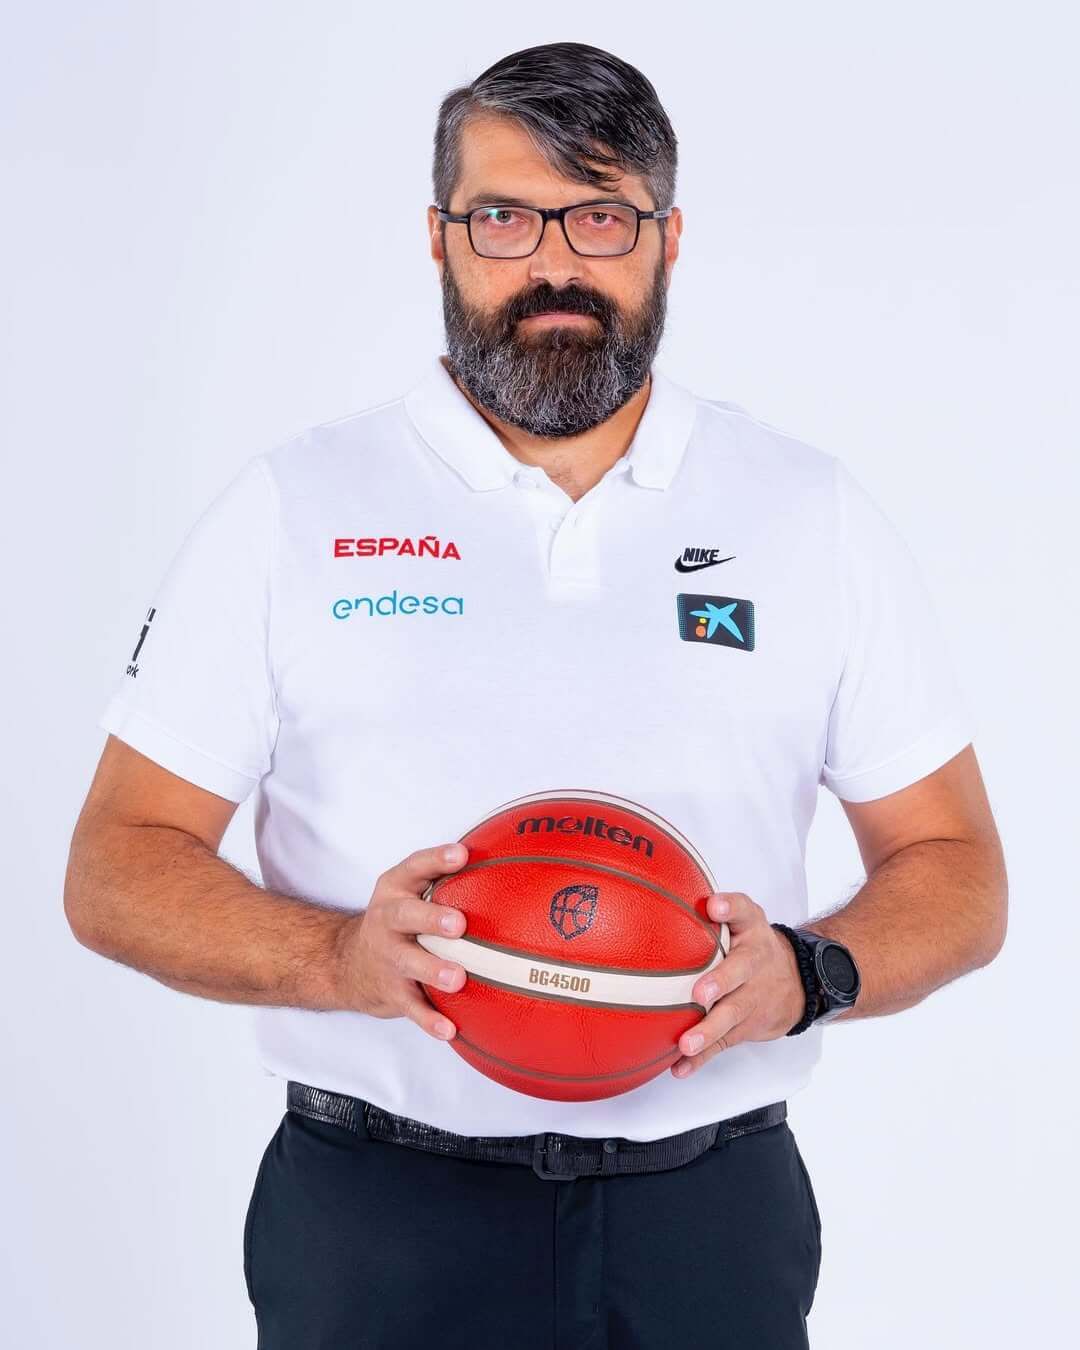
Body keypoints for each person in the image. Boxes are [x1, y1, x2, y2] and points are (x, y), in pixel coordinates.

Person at [64, 40, 1007, 1350]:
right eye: (504, 217)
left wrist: (810, 972)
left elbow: (957, 866)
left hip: (708, 1215)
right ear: (439, 238)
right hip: (378, 1215)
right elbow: (115, 863)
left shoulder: (806, 513)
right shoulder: (293, 508)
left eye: (600, 217)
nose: (552, 263)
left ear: (667, 240)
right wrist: (333, 958)